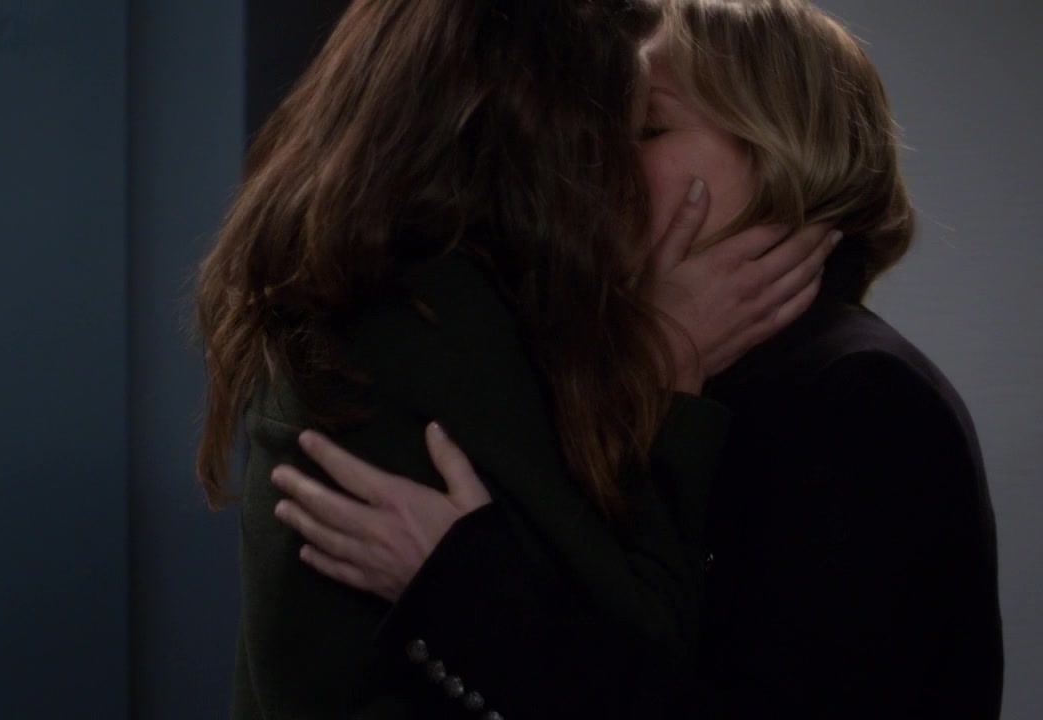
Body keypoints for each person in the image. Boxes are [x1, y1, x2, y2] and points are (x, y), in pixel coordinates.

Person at [271, 0, 1005, 718]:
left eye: (647, 128)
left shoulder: (860, 395)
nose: (593, 164)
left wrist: (463, 594)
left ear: (783, 151)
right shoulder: (700, 368)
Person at [195, 0, 835, 718]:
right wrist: (672, 372)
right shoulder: (438, 322)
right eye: (625, 134)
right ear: (550, 136)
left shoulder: (360, 289)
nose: (626, 173)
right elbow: (646, 645)